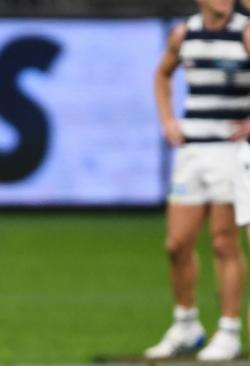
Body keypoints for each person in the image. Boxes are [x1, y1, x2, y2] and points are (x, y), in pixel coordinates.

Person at [145, 0, 250, 361]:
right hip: (192, 151)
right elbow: (162, 75)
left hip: (231, 152)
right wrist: (168, 120)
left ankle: (230, 329)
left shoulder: (245, 31)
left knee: (223, 241)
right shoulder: (184, 33)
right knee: (177, 243)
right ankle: (186, 324)